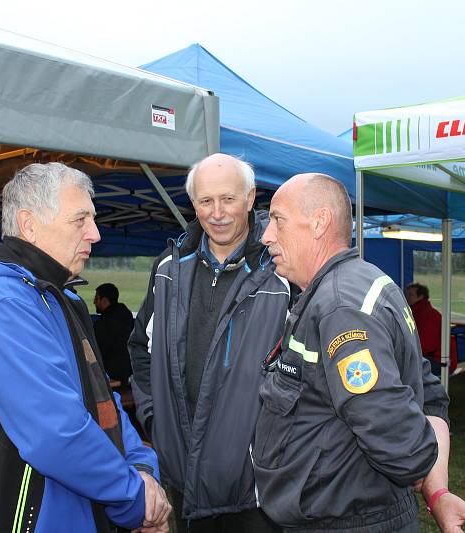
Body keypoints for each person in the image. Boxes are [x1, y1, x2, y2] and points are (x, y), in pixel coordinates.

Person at [254, 173, 465, 533]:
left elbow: (390, 426)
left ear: (319, 222)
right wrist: (436, 489)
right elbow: (427, 394)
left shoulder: (340, 305)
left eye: (277, 220)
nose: (266, 235)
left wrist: (417, 464)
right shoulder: (363, 283)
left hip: (347, 520)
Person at [0, 162, 169, 532]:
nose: (95, 234)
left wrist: (142, 467)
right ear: (29, 225)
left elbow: (102, 400)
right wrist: (134, 497)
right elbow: (55, 432)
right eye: (80, 220)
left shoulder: (62, 298)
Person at [129, 153, 290, 531]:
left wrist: (270, 441)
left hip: (256, 488)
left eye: (229, 199)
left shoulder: (283, 268)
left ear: (251, 199)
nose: (217, 213)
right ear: (193, 203)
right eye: (205, 201)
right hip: (184, 478)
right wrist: (157, 422)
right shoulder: (169, 267)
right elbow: (140, 349)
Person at [406, 282, 458, 375]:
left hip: (440, 361)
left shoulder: (428, 316)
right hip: (433, 357)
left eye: (410, 294)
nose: (407, 297)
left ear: (421, 296)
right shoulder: (418, 312)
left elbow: (426, 346)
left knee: (404, 368)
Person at [93, 283, 134, 383]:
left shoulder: (104, 324)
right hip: (129, 372)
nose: (94, 302)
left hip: (112, 374)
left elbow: (96, 350)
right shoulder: (126, 316)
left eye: (96, 298)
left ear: (105, 300)